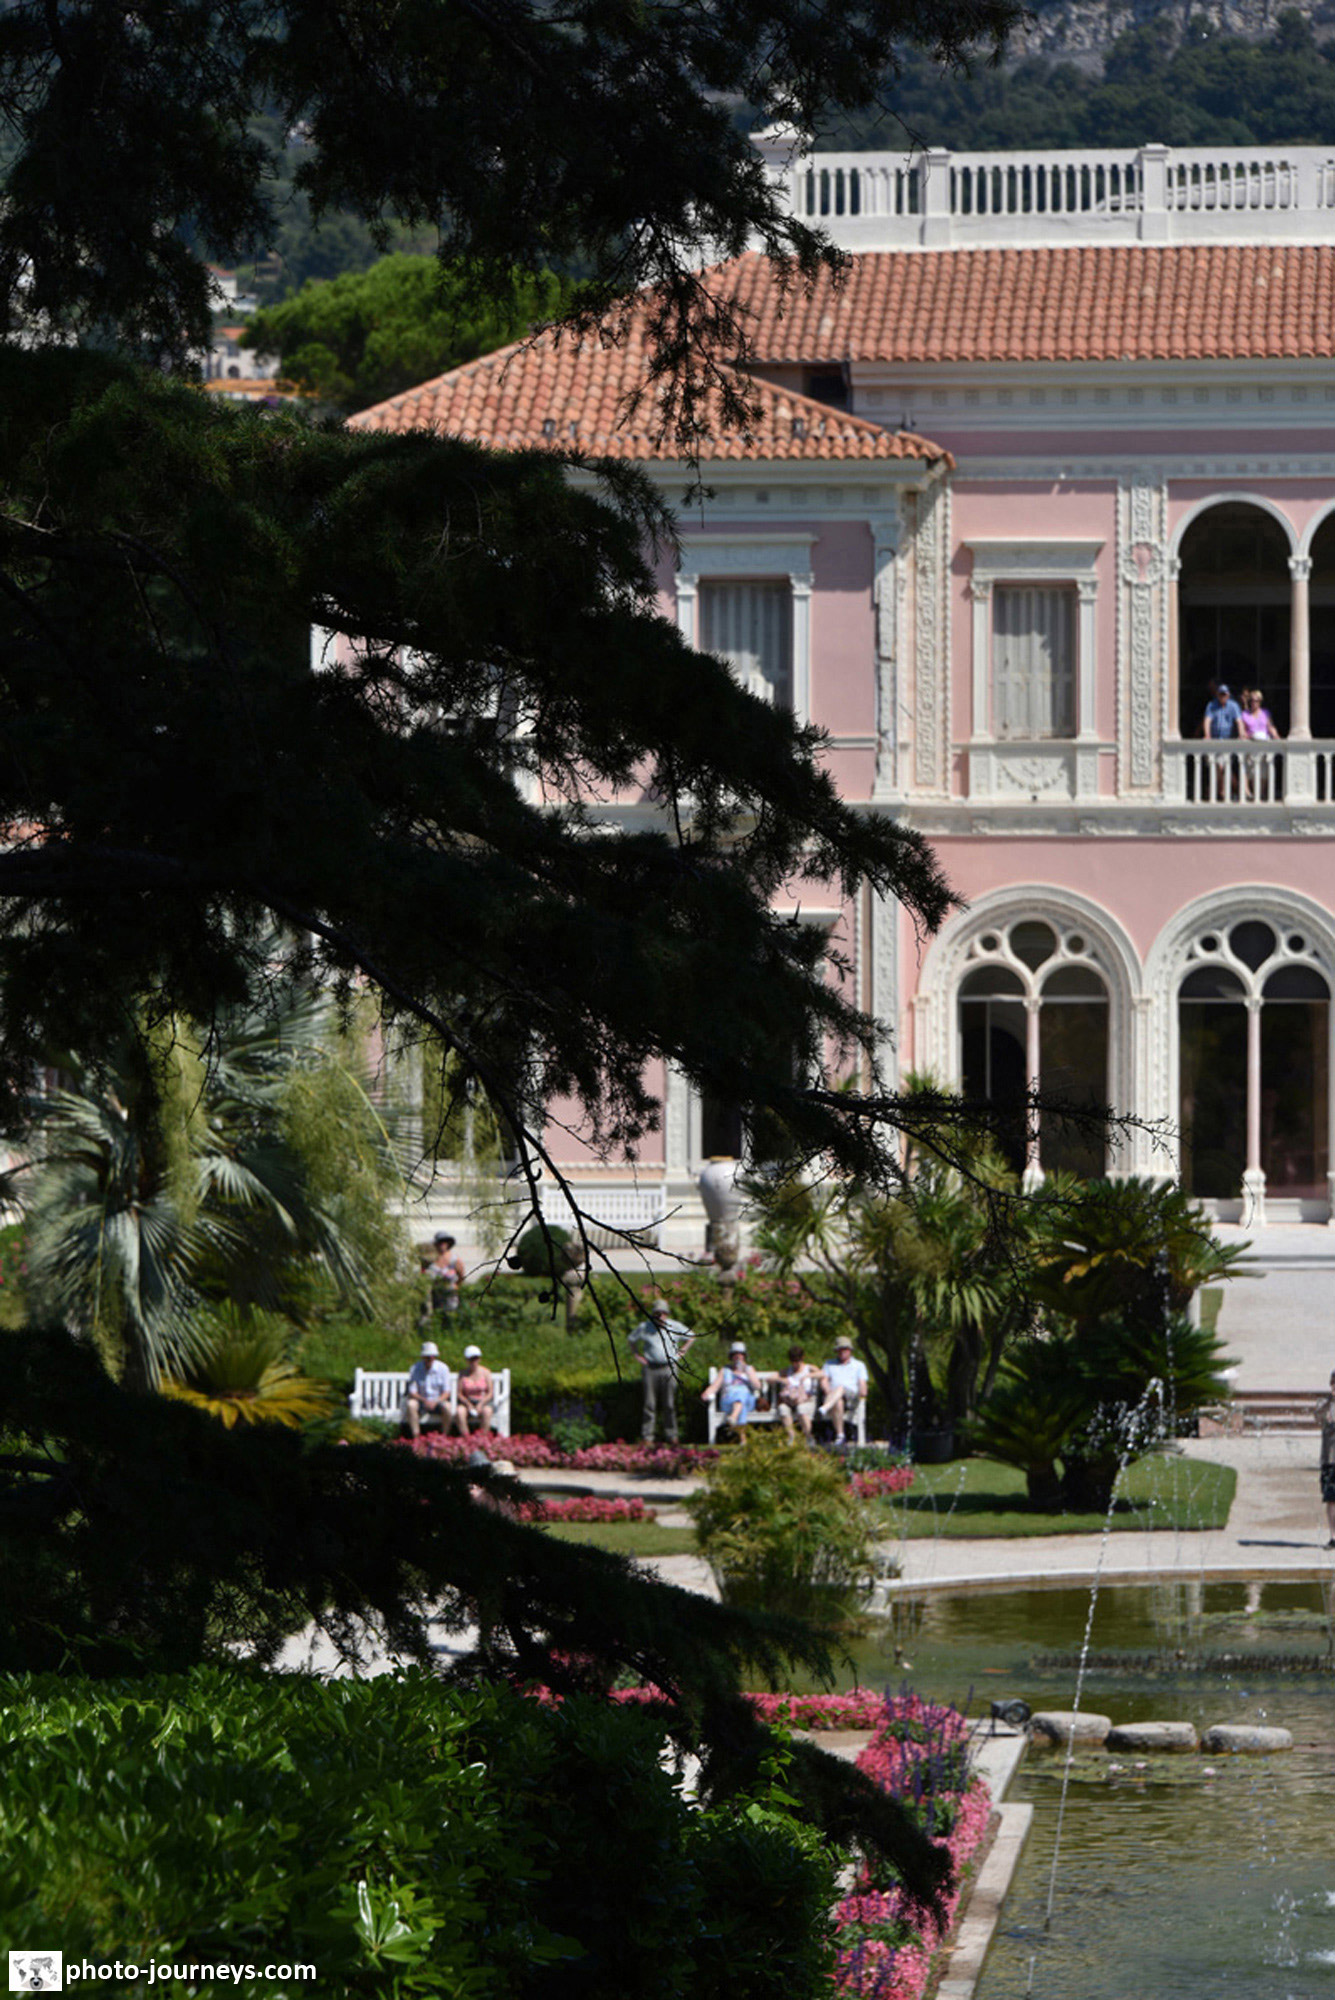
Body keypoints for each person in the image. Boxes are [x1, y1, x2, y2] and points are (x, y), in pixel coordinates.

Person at [628, 1297, 696, 1444]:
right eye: (657, 1313)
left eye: (663, 1313)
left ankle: (672, 1435)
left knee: (669, 1404)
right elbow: (631, 1340)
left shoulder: (674, 1326)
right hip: (650, 1368)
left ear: (667, 1314)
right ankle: (647, 1437)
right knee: (649, 1404)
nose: (660, 1316)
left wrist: (681, 1352)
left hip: (669, 1368)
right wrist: (637, 1355)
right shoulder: (645, 1327)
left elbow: (691, 1336)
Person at [701, 1341, 763, 1434]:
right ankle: (741, 1436)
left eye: (741, 1354)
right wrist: (707, 1392)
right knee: (740, 1404)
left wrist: (747, 1372)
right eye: (735, 1354)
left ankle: (733, 1418)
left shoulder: (749, 1369)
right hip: (728, 1401)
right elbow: (715, 1386)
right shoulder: (725, 1370)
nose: (738, 1356)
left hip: (747, 1401)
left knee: (741, 1395)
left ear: (744, 1356)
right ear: (731, 1356)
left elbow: (758, 1386)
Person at [820, 1337, 869, 1448]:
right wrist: (828, 1391)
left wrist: (863, 1391)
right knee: (838, 1402)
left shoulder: (859, 1365)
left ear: (850, 1350)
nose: (842, 1351)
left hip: (851, 1397)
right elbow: (824, 1380)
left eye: (845, 1349)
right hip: (834, 1397)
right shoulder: (829, 1364)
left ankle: (825, 1407)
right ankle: (840, 1435)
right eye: (840, 1349)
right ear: (836, 1351)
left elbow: (862, 1383)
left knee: (841, 1387)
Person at [402, 1339, 453, 1437]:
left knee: (448, 1407)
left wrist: (436, 1401)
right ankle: (416, 1436)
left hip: (438, 1402)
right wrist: (424, 1400)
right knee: (411, 1404)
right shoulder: (415, 1368)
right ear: (422, 1357)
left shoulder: (443, 1368)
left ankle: (445, 1435)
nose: (430, 1358)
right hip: (421, 1401)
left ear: (435, 1357)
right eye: (427, 1356)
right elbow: (412, 1391)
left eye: (432, 1356)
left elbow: (446, 1392)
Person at [775, 1344, 824, 1441]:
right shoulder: (787, 1370)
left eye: (798, 1361)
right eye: (793, 1361)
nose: (795, 1364)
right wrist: (782, 1380)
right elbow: (772, 1377)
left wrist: (809, 1376)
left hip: (806, 1399)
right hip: (790, 1400)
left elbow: (823, 1373)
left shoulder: (809, 1368)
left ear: (802, 1358)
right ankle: (791, 1437)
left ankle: (808, 1437)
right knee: (782, 1409)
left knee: (801, 1409)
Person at [452, 1344, 495, 1435]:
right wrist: (468, 1404)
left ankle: (482, 1438)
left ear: (479, 1359)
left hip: (483, 1401)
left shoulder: (486, 1372)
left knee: (487, 1411)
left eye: (475, 1358)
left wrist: (481, 1403)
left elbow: (490, 1392)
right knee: (459, 1412)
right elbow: (459, 1393)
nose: (473, 1361)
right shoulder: (462, 1373)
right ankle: (467, 1438)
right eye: (471, 1359)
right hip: (467, 1401)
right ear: (467, 1360)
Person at [1314, 1369, 1335, 1547]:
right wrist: (1329, 1402)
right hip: (1329, 1458)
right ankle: (1334, 1536)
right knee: (1330, 1499)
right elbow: (1317, 1417)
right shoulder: (1324, 1403)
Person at [423, 1232, 466, 1320]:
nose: (441, 1245)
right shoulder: (431, 1260)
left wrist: (456, 1286)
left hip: (449, 1296)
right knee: (433, 1317)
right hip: (434, 1296)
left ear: (448, 1244)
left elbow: (461, 1276)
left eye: (443, 1242)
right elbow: (423, 1274)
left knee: (449, 1317)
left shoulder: (455, 1260)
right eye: (439, 1243)